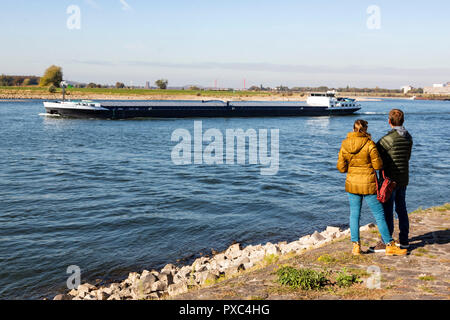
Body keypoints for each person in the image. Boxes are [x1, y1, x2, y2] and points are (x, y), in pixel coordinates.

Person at [337, 119, 407, 256]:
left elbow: (341, 167)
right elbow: (378, 166)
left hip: (352, 184)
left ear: (353, 129)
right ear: (365, 129)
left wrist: (352, 167)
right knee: (379, 215)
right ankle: (389, 245)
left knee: (354, 215)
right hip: (368, 184)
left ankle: (356, 246)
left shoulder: (345, 144)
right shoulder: (370, 144)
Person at [371, 109, 413, 252]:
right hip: (403, 178)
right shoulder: (408, 137)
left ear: (389, 121)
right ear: (403, 121)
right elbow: (407, 157)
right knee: (402, 209)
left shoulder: (386, 140)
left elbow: (375, 157)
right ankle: (404, 239)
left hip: (389, 180)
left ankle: (385, 241)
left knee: (387, 211)